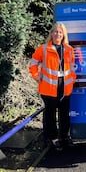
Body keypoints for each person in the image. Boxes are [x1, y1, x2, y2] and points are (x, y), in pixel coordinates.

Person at [29, 23, 76, 151]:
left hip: (65, 88)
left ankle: (65, 137)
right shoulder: (43, 49)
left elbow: (72, 68)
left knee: (65, 114)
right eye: (55, 32)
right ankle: (54, 139)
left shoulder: (69, 49)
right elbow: (33, 63)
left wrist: (72, 79)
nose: (57, 34)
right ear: (51, 34)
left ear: (63, 35)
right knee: (50, 115)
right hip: (48, 88)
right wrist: (36, 75)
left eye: (60, 32)